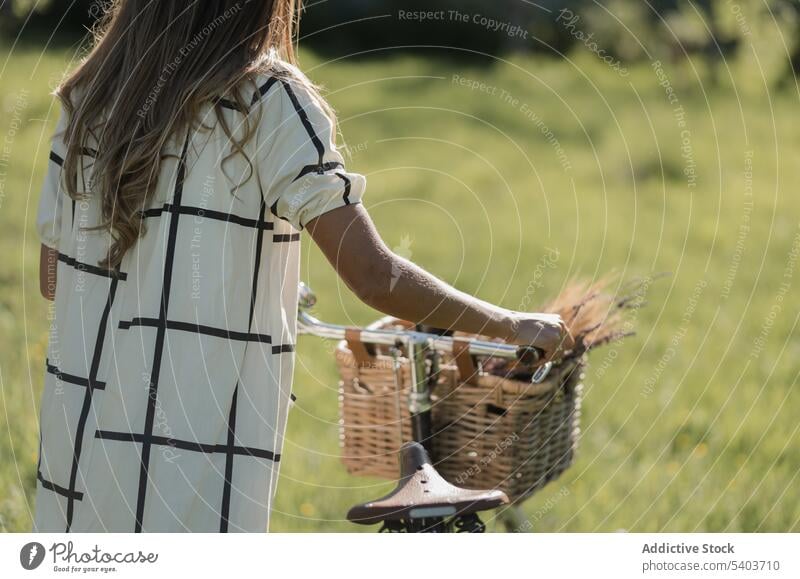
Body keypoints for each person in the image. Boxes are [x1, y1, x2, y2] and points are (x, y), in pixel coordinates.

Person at [34, 0, 572, 533]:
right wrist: (512, 326)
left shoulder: (90, 94)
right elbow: (374, 276)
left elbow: (54, 276)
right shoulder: (267, 98)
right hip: (191, 458)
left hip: (80, 442)